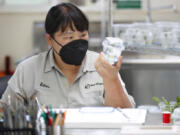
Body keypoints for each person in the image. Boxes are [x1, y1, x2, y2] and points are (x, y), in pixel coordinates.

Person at [0, 3, 135, 108]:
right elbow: (5, 113)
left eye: (83, 35)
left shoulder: (103, 65)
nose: (77, 42)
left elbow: (126, 115)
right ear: (50, 40)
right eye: (69, 37)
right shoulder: (28, 69)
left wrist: (111, 79)